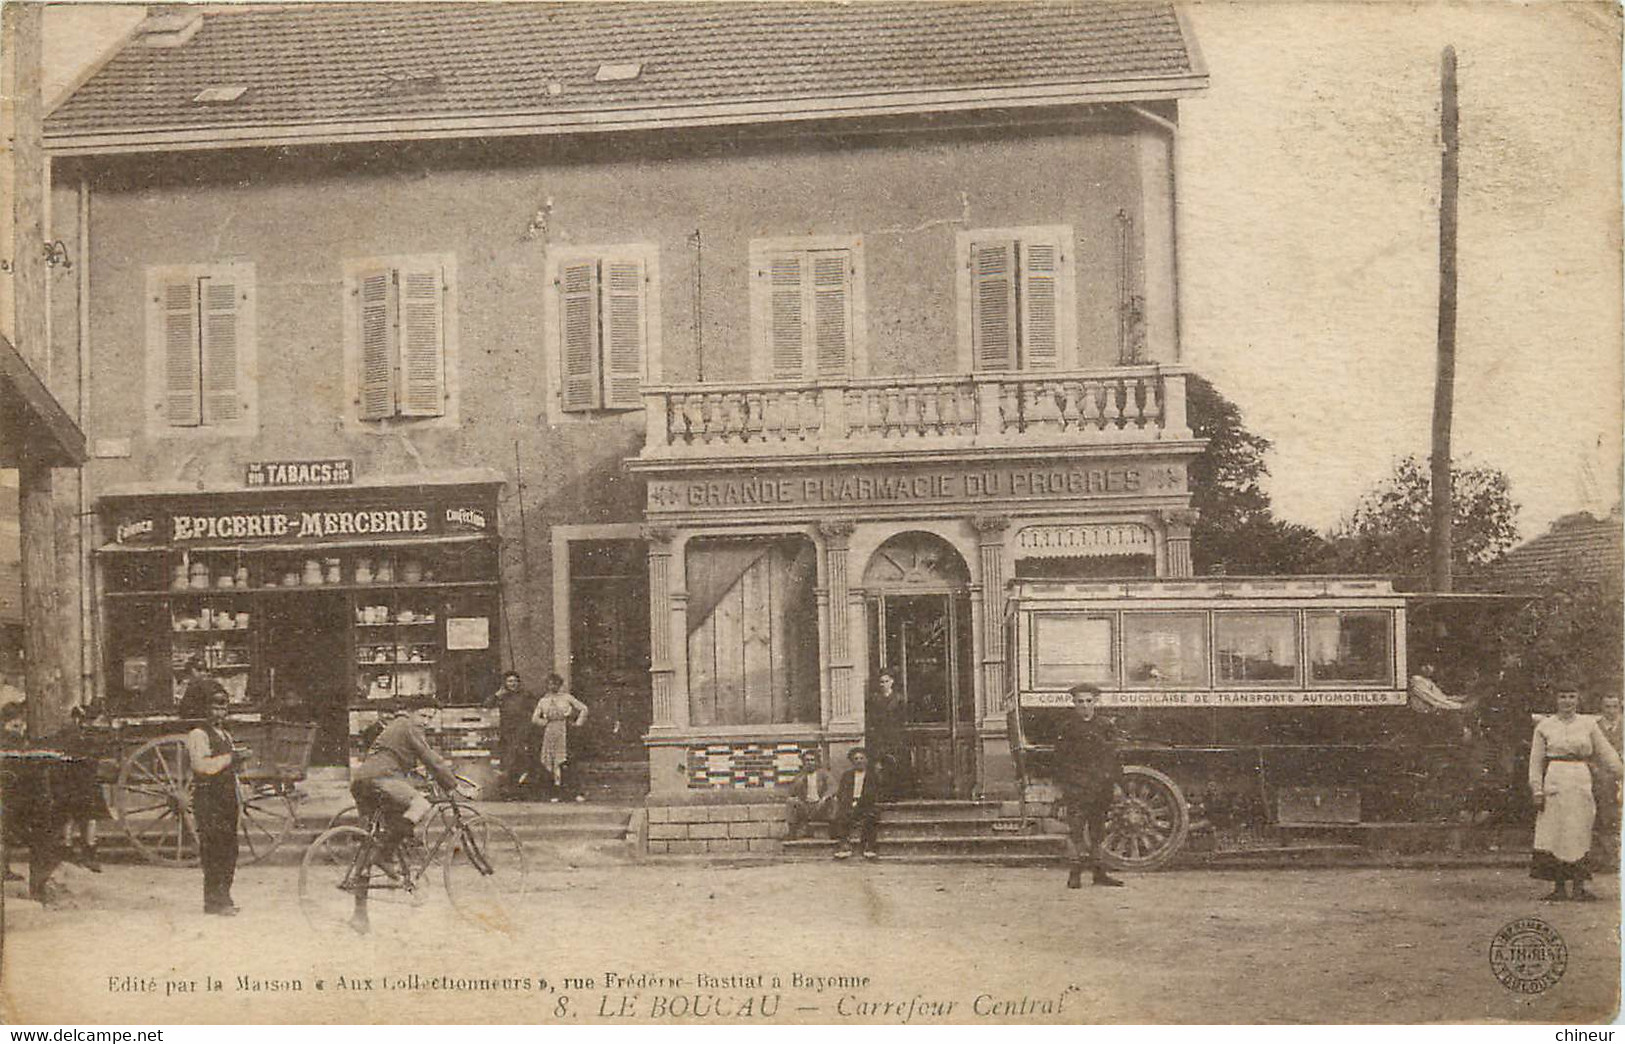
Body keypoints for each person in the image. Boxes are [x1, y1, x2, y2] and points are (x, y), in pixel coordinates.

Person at [1529, 684, 1622, 901]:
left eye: (1572, 696)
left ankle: (1579, 887)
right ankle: (1559, 887)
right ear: (1556, 699)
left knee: (1579, 830)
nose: (1567, 701)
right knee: (1555, 832)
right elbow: (1535, 762)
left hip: (1580, 779)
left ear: (1578, 699)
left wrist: (1620, 771)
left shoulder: (1588, 725)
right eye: (1563, 697)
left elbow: (1607, 753)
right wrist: (1537, 789)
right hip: (1555, 779)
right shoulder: (1545, 726)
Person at [350, 696, 461, 872]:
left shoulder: (397, 726)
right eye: (423, 716)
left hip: (362, 780)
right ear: (410, 713)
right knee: (421, 804)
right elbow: (431, 758)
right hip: (382, 778)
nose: (425, 722)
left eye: (430, 718)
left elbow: (398, 757)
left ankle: (370, 874)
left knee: (390, 821)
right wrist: (454, 785)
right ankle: (384, 855)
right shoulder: (409, 726)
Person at [1054, 682, 1125, 889]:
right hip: (1076, 788)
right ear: (1073, 703)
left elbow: (1114, 757)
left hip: (1100, 787)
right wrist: (1062, 787)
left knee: (1098, 831)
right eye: (1079, 702)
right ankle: (1075, 874)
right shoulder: (1066, 728)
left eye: (1088, 701)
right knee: (1076, 831)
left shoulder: (1105, 726)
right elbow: (1059, 760)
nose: (1084, 706)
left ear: (1095, 702)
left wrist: (1118, 785)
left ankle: (1099, 874)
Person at [186, 689, 249, 915]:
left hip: (227, 797)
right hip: (208, 798)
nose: (219, 712)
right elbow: (202, 767)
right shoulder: (198, 735)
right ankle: (213, 901)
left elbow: (231, 770)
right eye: (214, 707)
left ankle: (225, 897)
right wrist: (231, 758)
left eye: (223, 707)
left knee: (230, 848)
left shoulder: (226, 736)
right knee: (213, 849)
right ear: (205, 710)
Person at [530, 673, 588, 803]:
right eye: (550, 684)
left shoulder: (566, 697)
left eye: (555, 683)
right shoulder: (543, 700)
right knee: (550, 761)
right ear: (547, 685)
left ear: (560, 685)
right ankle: (554, 793)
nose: (553, 686)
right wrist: (544, 722)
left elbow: (584, 708)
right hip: (550, 732)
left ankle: (575, 792)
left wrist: (577, 723)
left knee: (566, 761)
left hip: (565, 730)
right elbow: (534, 718)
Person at [483, 670, 538, 799]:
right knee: (507, 764)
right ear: (505, 683)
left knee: (522, 763)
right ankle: (507, 793)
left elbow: (536, 710)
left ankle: (521, 793)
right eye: (509, 681)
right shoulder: (502, 696)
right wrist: (497, 695)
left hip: (522, 734)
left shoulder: (526, 695)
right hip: (506, 735)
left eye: (514, 681)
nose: (512, 684)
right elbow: (486, 704)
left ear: (519, 682)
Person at [831, 747, 881, 860]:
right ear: (852, 761)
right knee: (841, 816)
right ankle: (844, 846)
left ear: (866, 760)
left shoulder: (872, 776)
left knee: (870, 817)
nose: (859, 761)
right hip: (850, 804)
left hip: (866, 804)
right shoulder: (847, 775)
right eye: (856, 759)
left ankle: (869, 847)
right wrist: (847, 802)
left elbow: (874, 793)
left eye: (861, 758)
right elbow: (841, 792)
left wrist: (860, 803)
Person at [1592, 692, 1623, 872]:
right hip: (1600, 779)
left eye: (1615, 707)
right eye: (1607, 707)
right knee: (1602, 817)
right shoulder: (1594, 727)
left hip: (1621, 777)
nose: (1611, 711)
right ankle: (1603, 858)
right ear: (1601, 709)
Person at [867, 669, 908, 798]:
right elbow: (871, 718)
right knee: (880, 764)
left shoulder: (899, 699)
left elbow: (903, 718)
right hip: (880, 736)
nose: (883, 684)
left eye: (886, 681)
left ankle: (896, 793)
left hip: (895, 735)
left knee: (895, 764)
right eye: (881, 682)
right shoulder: (874, 699)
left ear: (892, 682)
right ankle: (882, 793)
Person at [785, 748, 835, 841]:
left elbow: (832, 787)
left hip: (820, 806)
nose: (809, 763)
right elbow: (791, 793)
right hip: (805, 807)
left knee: (833, 800)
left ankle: (833, 831)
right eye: (807, 760)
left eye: (812, 760)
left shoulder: (824, 774)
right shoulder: (800, 776)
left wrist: (824, 798)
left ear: (817, 762)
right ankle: (792, 832)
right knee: (790, 801)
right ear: (803, 763)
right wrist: (799, 782)